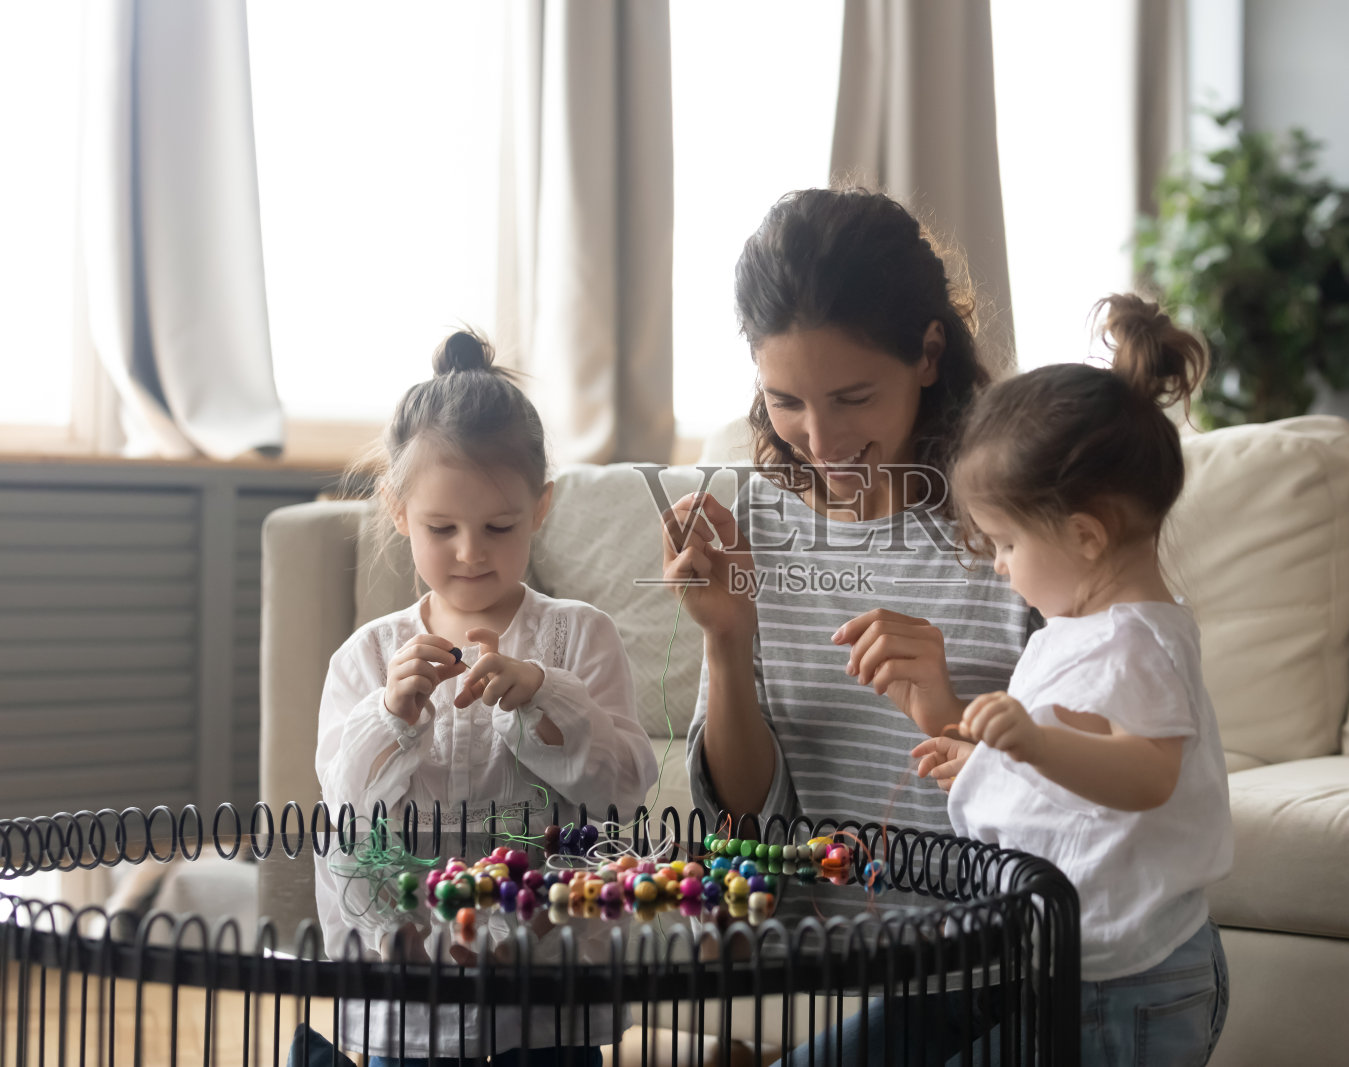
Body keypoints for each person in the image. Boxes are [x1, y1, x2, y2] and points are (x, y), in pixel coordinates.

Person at [312, 329, 656, 1067]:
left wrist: (543, 696)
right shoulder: (366, 658)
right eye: (443, 528)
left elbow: (623, 791)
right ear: (398, 511)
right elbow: (343, 820)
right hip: (410, 1004)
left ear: (541, 508)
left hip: (545, 1007)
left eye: (499, 526)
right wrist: (389, 717)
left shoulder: (578, 638)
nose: (471, 551)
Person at [914, 294, 1232, 1066]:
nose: (998, 563)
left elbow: (1146, 773)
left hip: (1128, 978)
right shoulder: (1084, 631)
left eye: (1006, 542)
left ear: (1085, 535)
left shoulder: (1136, 641)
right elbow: (1087, 753)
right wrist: (995, 762)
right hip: (1085, 963)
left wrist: (1031, 743)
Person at [661, 187, 1036, 837]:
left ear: (928, 354)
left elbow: (1085, 816)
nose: (821, 439)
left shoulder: (1022, 530)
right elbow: (745, 829)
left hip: (980, 932)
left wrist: (948, 713)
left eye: (853, 397)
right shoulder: (751, 531)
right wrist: (726, 639)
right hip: (806, 938)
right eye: (785, 400)